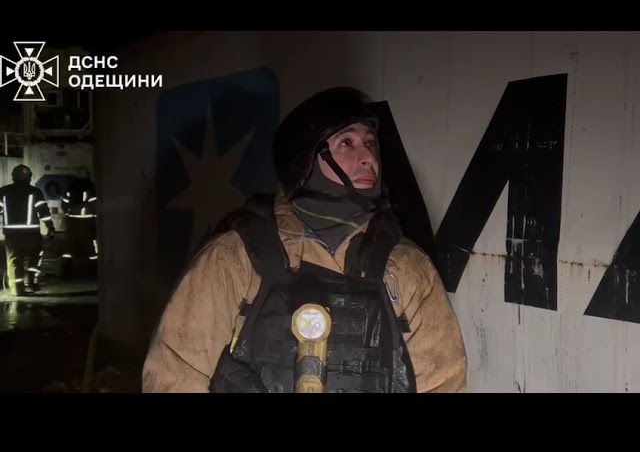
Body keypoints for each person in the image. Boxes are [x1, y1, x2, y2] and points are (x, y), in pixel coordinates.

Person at [142, 87, 467, 393]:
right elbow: (175, 373)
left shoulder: (406, 267)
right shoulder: (236, 257)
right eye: (346, 143)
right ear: (307, 160)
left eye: (370, 143)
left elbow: (442, 381)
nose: (368, 157)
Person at [0, 165, 55, 296]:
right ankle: (31, 282)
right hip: (31, 234)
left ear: (13, 176)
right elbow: (44, 212)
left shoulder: (3, 191)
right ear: (29, 177)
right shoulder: (35, 192)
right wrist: (50, 227)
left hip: (12, 234)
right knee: (34, 258)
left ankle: (17, 289)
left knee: (14, 260)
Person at [60, 177, 98, 280]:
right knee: (91, 248)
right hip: (87, 222)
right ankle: (93, 272)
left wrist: (69, 213)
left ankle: (65, 273)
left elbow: (64, 204)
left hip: (71, 222)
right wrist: (94, 216)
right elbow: (94, 205)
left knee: (69, 248)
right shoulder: (91, 190)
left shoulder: (70, 189)